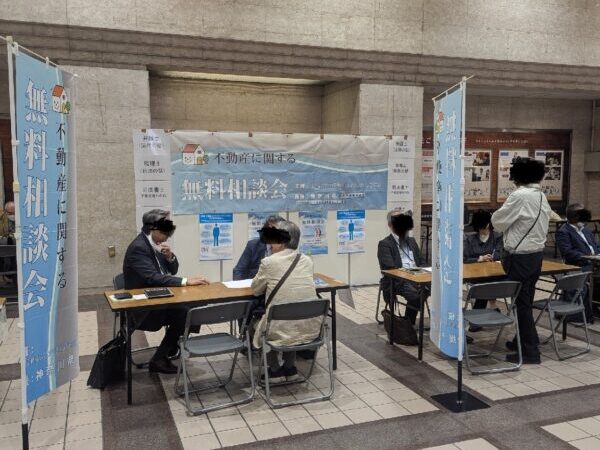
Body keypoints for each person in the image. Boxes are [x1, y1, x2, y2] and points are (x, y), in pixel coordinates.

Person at [123, 209, 210, 374]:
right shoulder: (139, 247)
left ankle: (172, 344)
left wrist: (169, 257)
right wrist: (185, 281)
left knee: (191, 307)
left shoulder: (153, 245)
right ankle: (161, 356)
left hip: (159, 298)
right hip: (143, 308)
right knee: (185, 312)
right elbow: (153, 277)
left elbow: (173, 270)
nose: (168, 234)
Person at [492, 157, 551, 364]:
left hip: (519, 258)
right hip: (536, 257)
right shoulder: (541, 196)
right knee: (526, 301)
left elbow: (498, 222)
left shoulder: (519, 195)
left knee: (522, 305)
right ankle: (523, 340)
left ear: (518, 176)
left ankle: (530, 352)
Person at [251, 220, 318, 381]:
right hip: (309, 328)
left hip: (279, 327)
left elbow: (256, 289)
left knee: (257, 324)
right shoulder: (307, 260)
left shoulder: (269, 262)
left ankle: (274, 370)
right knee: (292, 318)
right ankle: (290, 368)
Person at [377, 211, 423, 325]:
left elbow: (421, 261)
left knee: (436, 290)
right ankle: (408, 324)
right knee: (416, 296)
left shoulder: (411, 241)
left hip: (418, 277)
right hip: (398, 280)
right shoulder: (385, 244)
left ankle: (409, 321)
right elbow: (389, 268)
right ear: (390, 225)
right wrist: (409, 277)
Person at [556, 203, 600, 321]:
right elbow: (568, 253)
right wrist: (589, 257)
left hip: (595, 263)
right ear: (575, 216)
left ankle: (595, 306)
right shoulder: (563, 232)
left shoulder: (586, 231)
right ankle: (588, 309)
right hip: (580, 265)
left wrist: (597, 255)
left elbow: (595, 246)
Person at [233, 215, 285, 280]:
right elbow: (239, 270)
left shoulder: (286, 246)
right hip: (255, 283)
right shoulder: (253, 245)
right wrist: (240, 285)